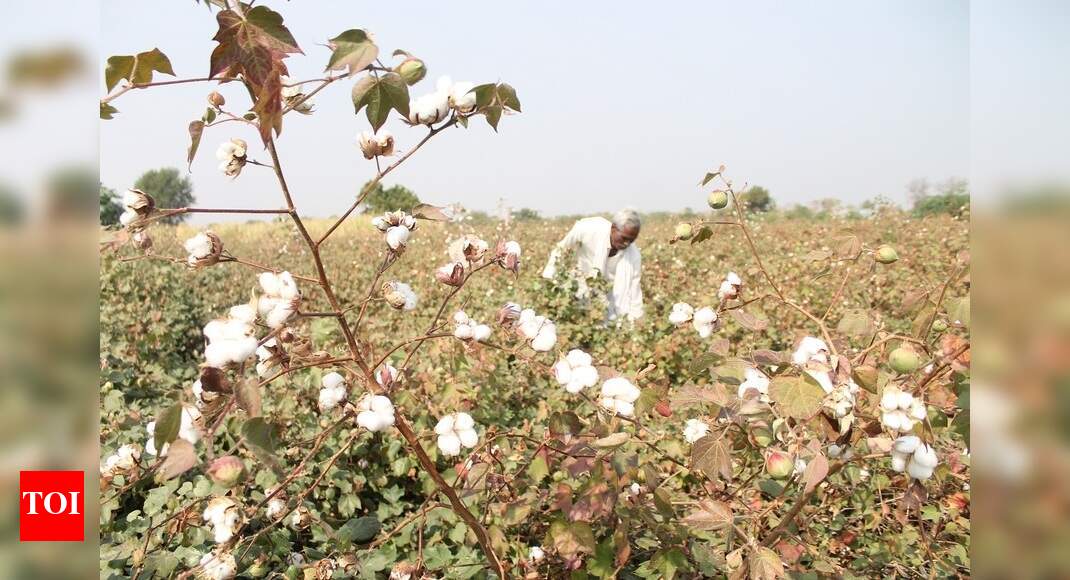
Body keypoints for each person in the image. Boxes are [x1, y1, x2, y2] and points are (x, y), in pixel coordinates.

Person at [541, 208, 644, 321]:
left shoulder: (633, 256)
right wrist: (549, 281)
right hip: (578, 289)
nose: (626, 243)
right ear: (613, 228)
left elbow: (634, 289)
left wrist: (637, 319)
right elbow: (560, 250)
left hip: (611, 299)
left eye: (631, 240)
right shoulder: (588, 228)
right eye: (624, 238)